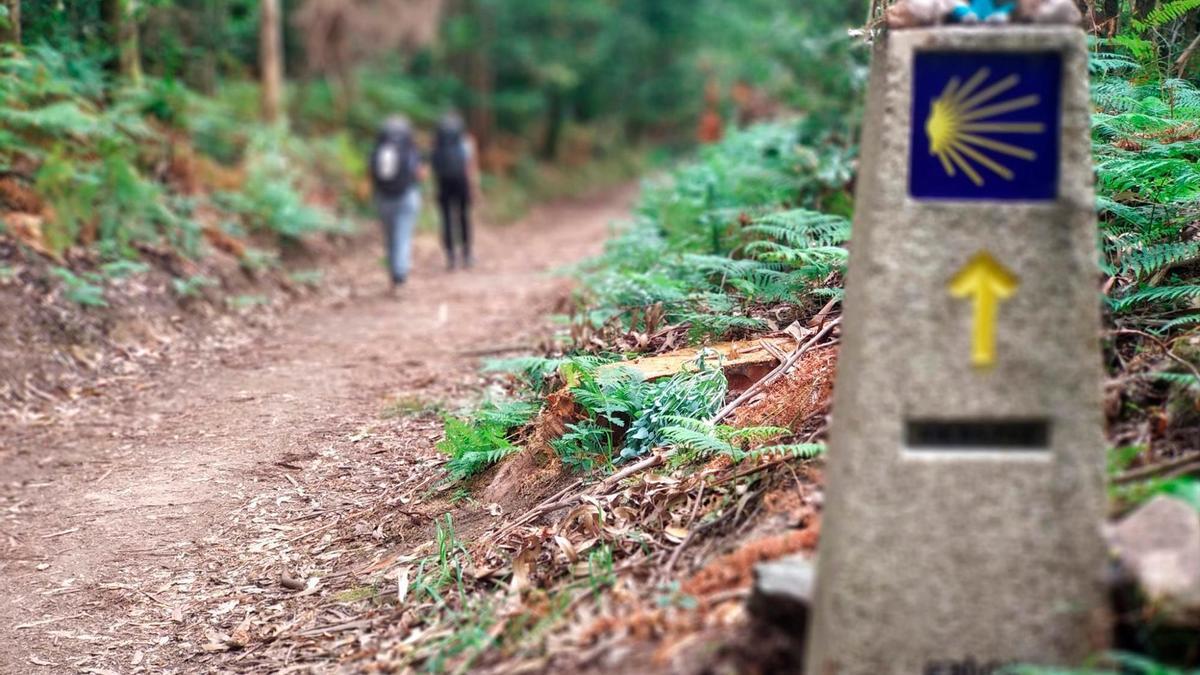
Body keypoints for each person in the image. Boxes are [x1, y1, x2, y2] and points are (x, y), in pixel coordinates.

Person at [370, 116, 423, 289]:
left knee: (390, 236)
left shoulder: (378, 149)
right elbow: (418, 173)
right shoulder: (410, 149)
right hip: (406, 197)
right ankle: (400, 272)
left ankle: (393, 271)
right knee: (403, 235)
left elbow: (371, 174)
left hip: (383, 199)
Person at [430, 112, 476, 269]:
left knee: (446, 219)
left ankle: (450, 257)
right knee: (463, 216)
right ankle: (467, 254)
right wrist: (473, 187)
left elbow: (434, 165)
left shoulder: (437, 143)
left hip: (443, 183)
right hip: (461, 182)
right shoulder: (466, 142)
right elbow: (470, 166)